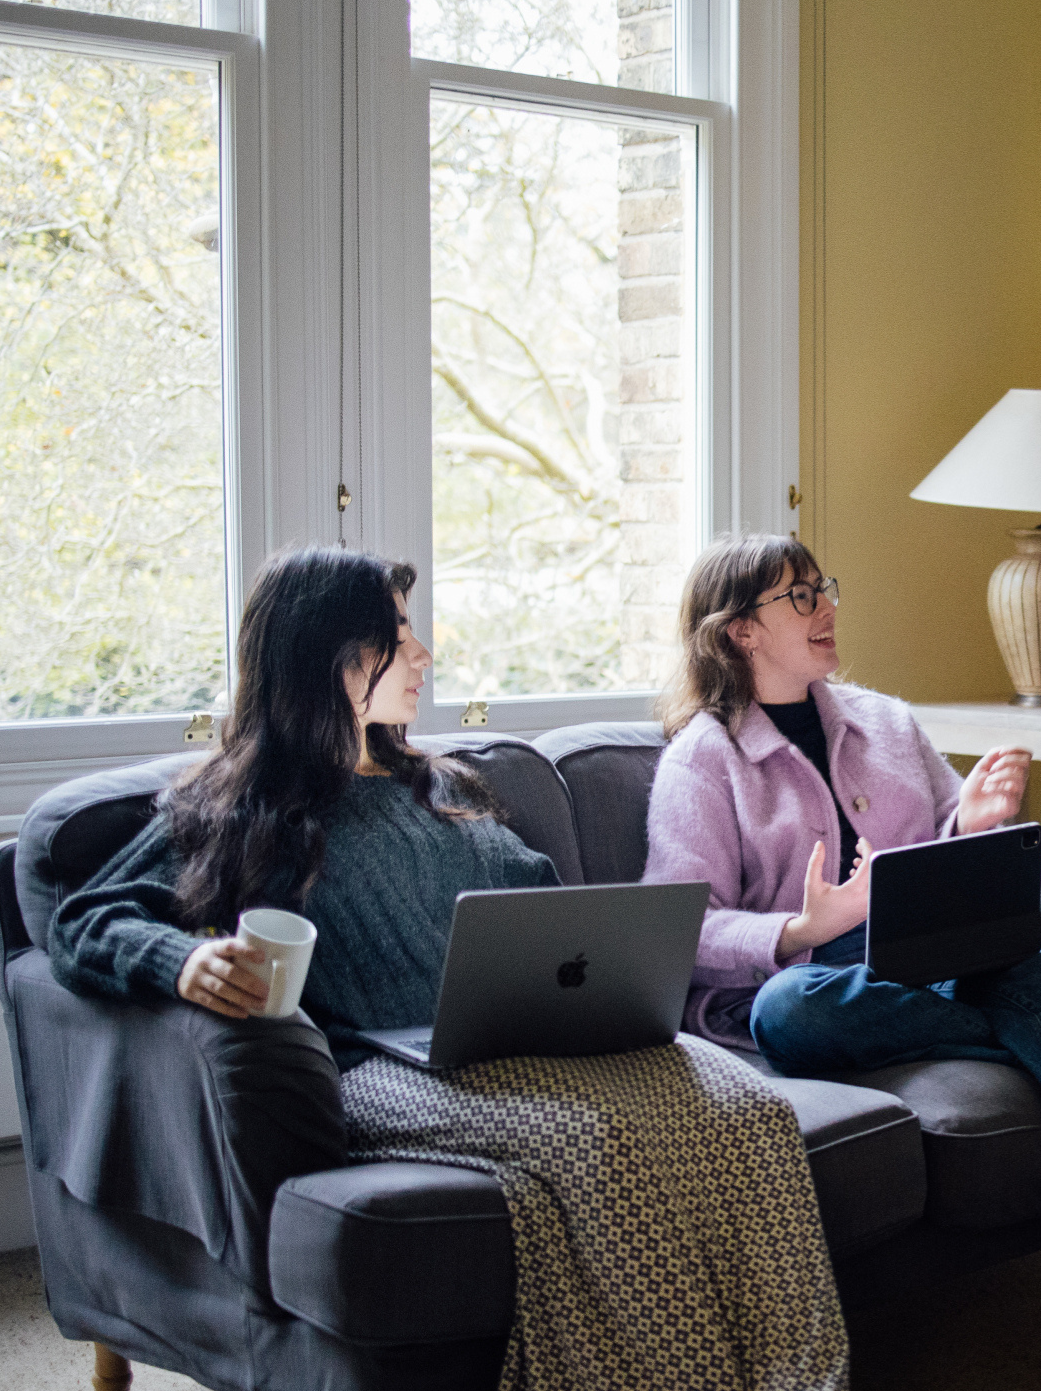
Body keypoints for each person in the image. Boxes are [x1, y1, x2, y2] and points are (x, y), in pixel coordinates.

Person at [51, 546, 847, 1390]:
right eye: (397, 636)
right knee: (600, 1143)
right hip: (386, 1065)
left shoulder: (438, 785)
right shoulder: (242, 803)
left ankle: (798, 1379)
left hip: (522, 1045)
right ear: (332, 657)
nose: (422, 654)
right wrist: (184, 961)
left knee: (750, 1109)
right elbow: (82, 918)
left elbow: (537, 903)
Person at [642, 532, 1041, 1391]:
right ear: (740, 630)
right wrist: (796, 927)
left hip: (939, 963)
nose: (828, 609)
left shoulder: (886, 721)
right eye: (802, 597)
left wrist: (971, 821)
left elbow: (948, 859)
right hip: (811, 981)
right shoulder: (702, 760)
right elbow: (682, 925)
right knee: (796, 1009)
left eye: (826, 587)